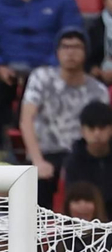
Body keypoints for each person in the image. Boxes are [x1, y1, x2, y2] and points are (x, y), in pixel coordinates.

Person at [22, 28, 110, 202]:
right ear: (57, 52)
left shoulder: (98, 90)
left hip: (82, 155)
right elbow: (26, 120)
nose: (70, 52)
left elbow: (102, 126)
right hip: (46, 153)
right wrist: (37, 161)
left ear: (86, 52)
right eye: (65, 47)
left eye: (77, 47)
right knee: (37, 183)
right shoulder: (41, 78)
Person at [65, 100, 112, 206]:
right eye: (91, 128)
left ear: (111, 130)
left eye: (102, 128)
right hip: (85, 218)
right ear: (82, 131)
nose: (97, 133)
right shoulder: (73, 162)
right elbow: (73, 200)